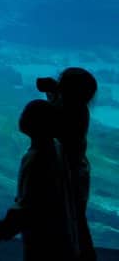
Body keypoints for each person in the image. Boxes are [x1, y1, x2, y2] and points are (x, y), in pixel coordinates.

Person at [0, 99, 80, 260]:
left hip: (44, 238)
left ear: (35, 123)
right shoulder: (56, 148)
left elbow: (28, 206)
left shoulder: (37, 159)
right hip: (60, 233)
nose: (21, 115)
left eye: (26, 113)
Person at [37, 67, 98, 260]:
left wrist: (52, 91)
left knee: (74, 221)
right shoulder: (78, 108)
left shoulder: (73, 111)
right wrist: (55, 90)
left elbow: (53, 118)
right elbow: (61, 106)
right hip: (75, 172)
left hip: (70, 175)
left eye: (61, 81)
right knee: (74, 220)